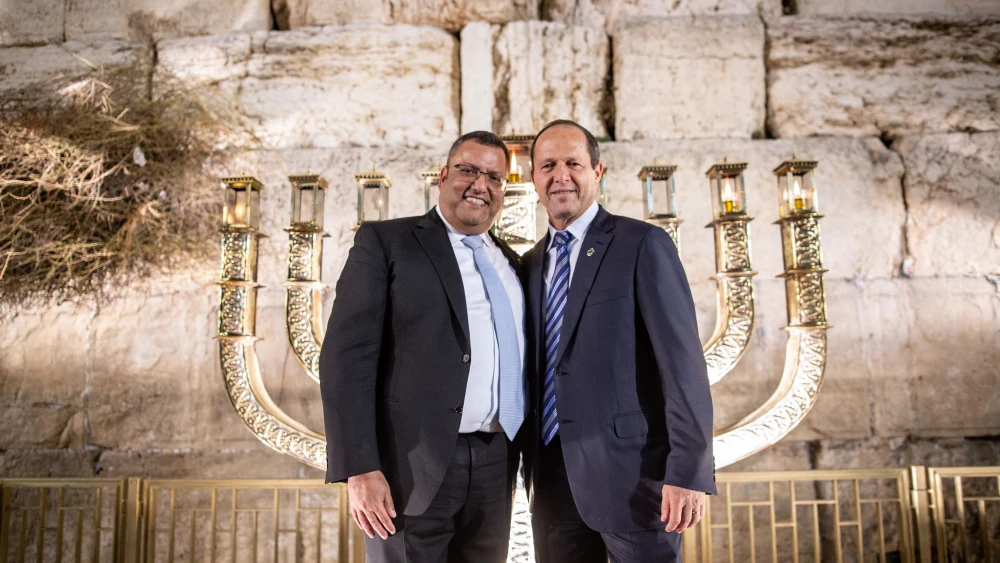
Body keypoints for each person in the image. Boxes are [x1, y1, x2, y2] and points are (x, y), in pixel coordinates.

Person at [319, 131, 527, 563]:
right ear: (443, 175)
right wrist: (359, 467)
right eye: (468, 170)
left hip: (496, 462)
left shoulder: (513, 263)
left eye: (494, 176)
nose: (480, 184)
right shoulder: (388, 243)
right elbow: (346, 360)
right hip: (410, 469)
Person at [523, 119, 715, 562]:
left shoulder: (641, 243)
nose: (561, 175)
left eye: (573, 163)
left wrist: (688, 472)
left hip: (635, 477)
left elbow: (682, 366)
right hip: (552, 479)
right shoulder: (530, 264)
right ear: (533, 177)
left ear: (597, 171)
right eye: (547, 165)